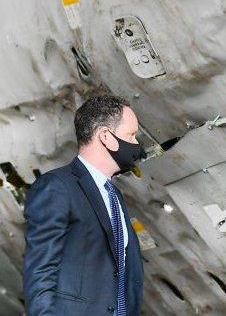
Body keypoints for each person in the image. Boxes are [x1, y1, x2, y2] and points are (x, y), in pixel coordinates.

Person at [23, 95, 146, 315]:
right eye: (131, 135)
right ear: (107, 137)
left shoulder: (113, 194)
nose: (136, 144)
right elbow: (40, 271)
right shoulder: (57, 187)